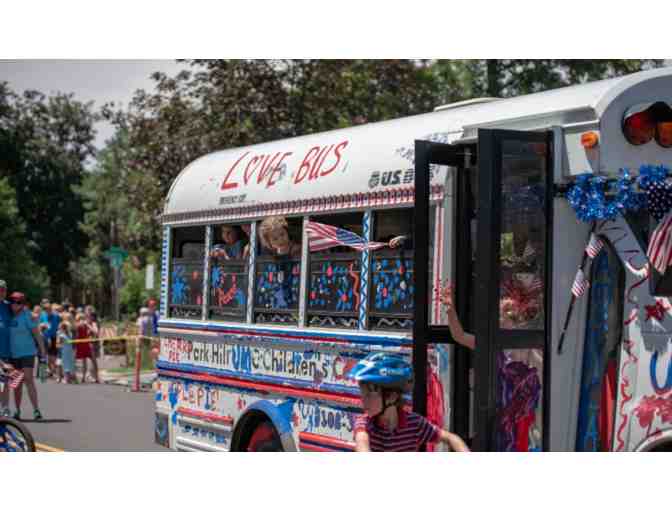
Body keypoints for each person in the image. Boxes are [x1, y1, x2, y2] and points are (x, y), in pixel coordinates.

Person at [348, 352, 469, 452]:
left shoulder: (415, 424)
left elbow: (451, 438)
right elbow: (362, 443)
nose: (362, 400)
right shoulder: (364, 424)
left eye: (369, 394)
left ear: (392, 397)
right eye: (362, 393)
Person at [6, 292, 46, 420]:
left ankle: (36, 410)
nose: (15, 304)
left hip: (28, 353)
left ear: (23, 304)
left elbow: (37, 334)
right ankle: (17, 411)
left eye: (18, 302)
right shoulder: (7, 315)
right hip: (13, 354)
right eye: (13, 301)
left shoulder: (27, 315)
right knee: (16, 383)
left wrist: (42, 350)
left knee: (28, 379)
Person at [0, 280, 13, 417]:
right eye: (0, 289)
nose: (2, 292)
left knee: (3, 381)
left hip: (6, 352)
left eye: (4, 289)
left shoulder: (8, 306)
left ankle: (5, 409)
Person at [74, 313, 96, 383]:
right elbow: (93, 331)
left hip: (80, 344)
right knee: (84, 361)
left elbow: (76, 335)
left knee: (77, 361)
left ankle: (79, 377)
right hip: (84, 343)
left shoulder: (78, 324)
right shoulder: (84, 324)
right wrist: (88, 333)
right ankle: (82, 377)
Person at [57, 312, 76, 384]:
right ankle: (67, 378)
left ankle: (67, 379)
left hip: (65, 351)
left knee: (66, 365)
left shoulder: (63, 335)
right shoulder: (69, 334)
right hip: (67, 351)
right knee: (68, 365)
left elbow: (59, 343)